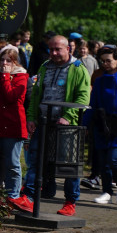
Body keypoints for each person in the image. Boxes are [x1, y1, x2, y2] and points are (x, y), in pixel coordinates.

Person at [22, 35, 91, 216]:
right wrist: (31, 116)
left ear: (68, 49)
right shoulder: (45, 66)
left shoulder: (78, 69)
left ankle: (70, 202)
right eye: (50, 49)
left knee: (69, 165)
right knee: (35, 160)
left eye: (57, 49)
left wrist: (68, 116)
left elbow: (83, 97)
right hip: (44, 123)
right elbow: (37, 94)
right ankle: (28, 198)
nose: (53, 53)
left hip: (67, 127)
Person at [84, 47, 117, 205]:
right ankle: (106, 191)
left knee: (113, 158)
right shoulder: (100, 80)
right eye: (103, 61)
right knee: (103, 161)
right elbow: (92, 104)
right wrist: (86, 125)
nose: (105, 63)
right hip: (101, 125)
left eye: (109, 60)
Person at [0, 47, 30, 211]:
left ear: (15, 62)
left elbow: (10, 97)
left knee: (12, 163)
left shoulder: (21, 76)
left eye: (9, 60)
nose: (4, 63)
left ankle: (13, 196)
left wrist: (5, 77)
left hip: (13, 126)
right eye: (2, 60)